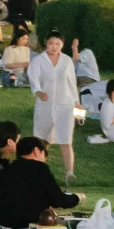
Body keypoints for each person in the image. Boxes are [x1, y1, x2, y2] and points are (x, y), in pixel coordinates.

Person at [0, 134, 79, 228]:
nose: (44, 159)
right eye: (44, 154)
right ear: (36, 151)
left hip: (5, 223)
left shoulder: (7, 168)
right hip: (31, 224)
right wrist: (77, 198)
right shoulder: (40, 168)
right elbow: (58, 200)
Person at [27, 34, 79, 178]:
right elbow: (34, 78)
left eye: (57, 44)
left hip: (65, 104)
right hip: (45, 104)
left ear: (62, 45)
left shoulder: (67, 60)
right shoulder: (38, 61)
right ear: (46, 44)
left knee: (66, 139)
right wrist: (38, 92)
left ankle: (70, 172)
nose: (54, 47)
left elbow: (71, 82)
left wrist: (76, 101)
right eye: (51, 43)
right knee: (42, 138)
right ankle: (39, 168)